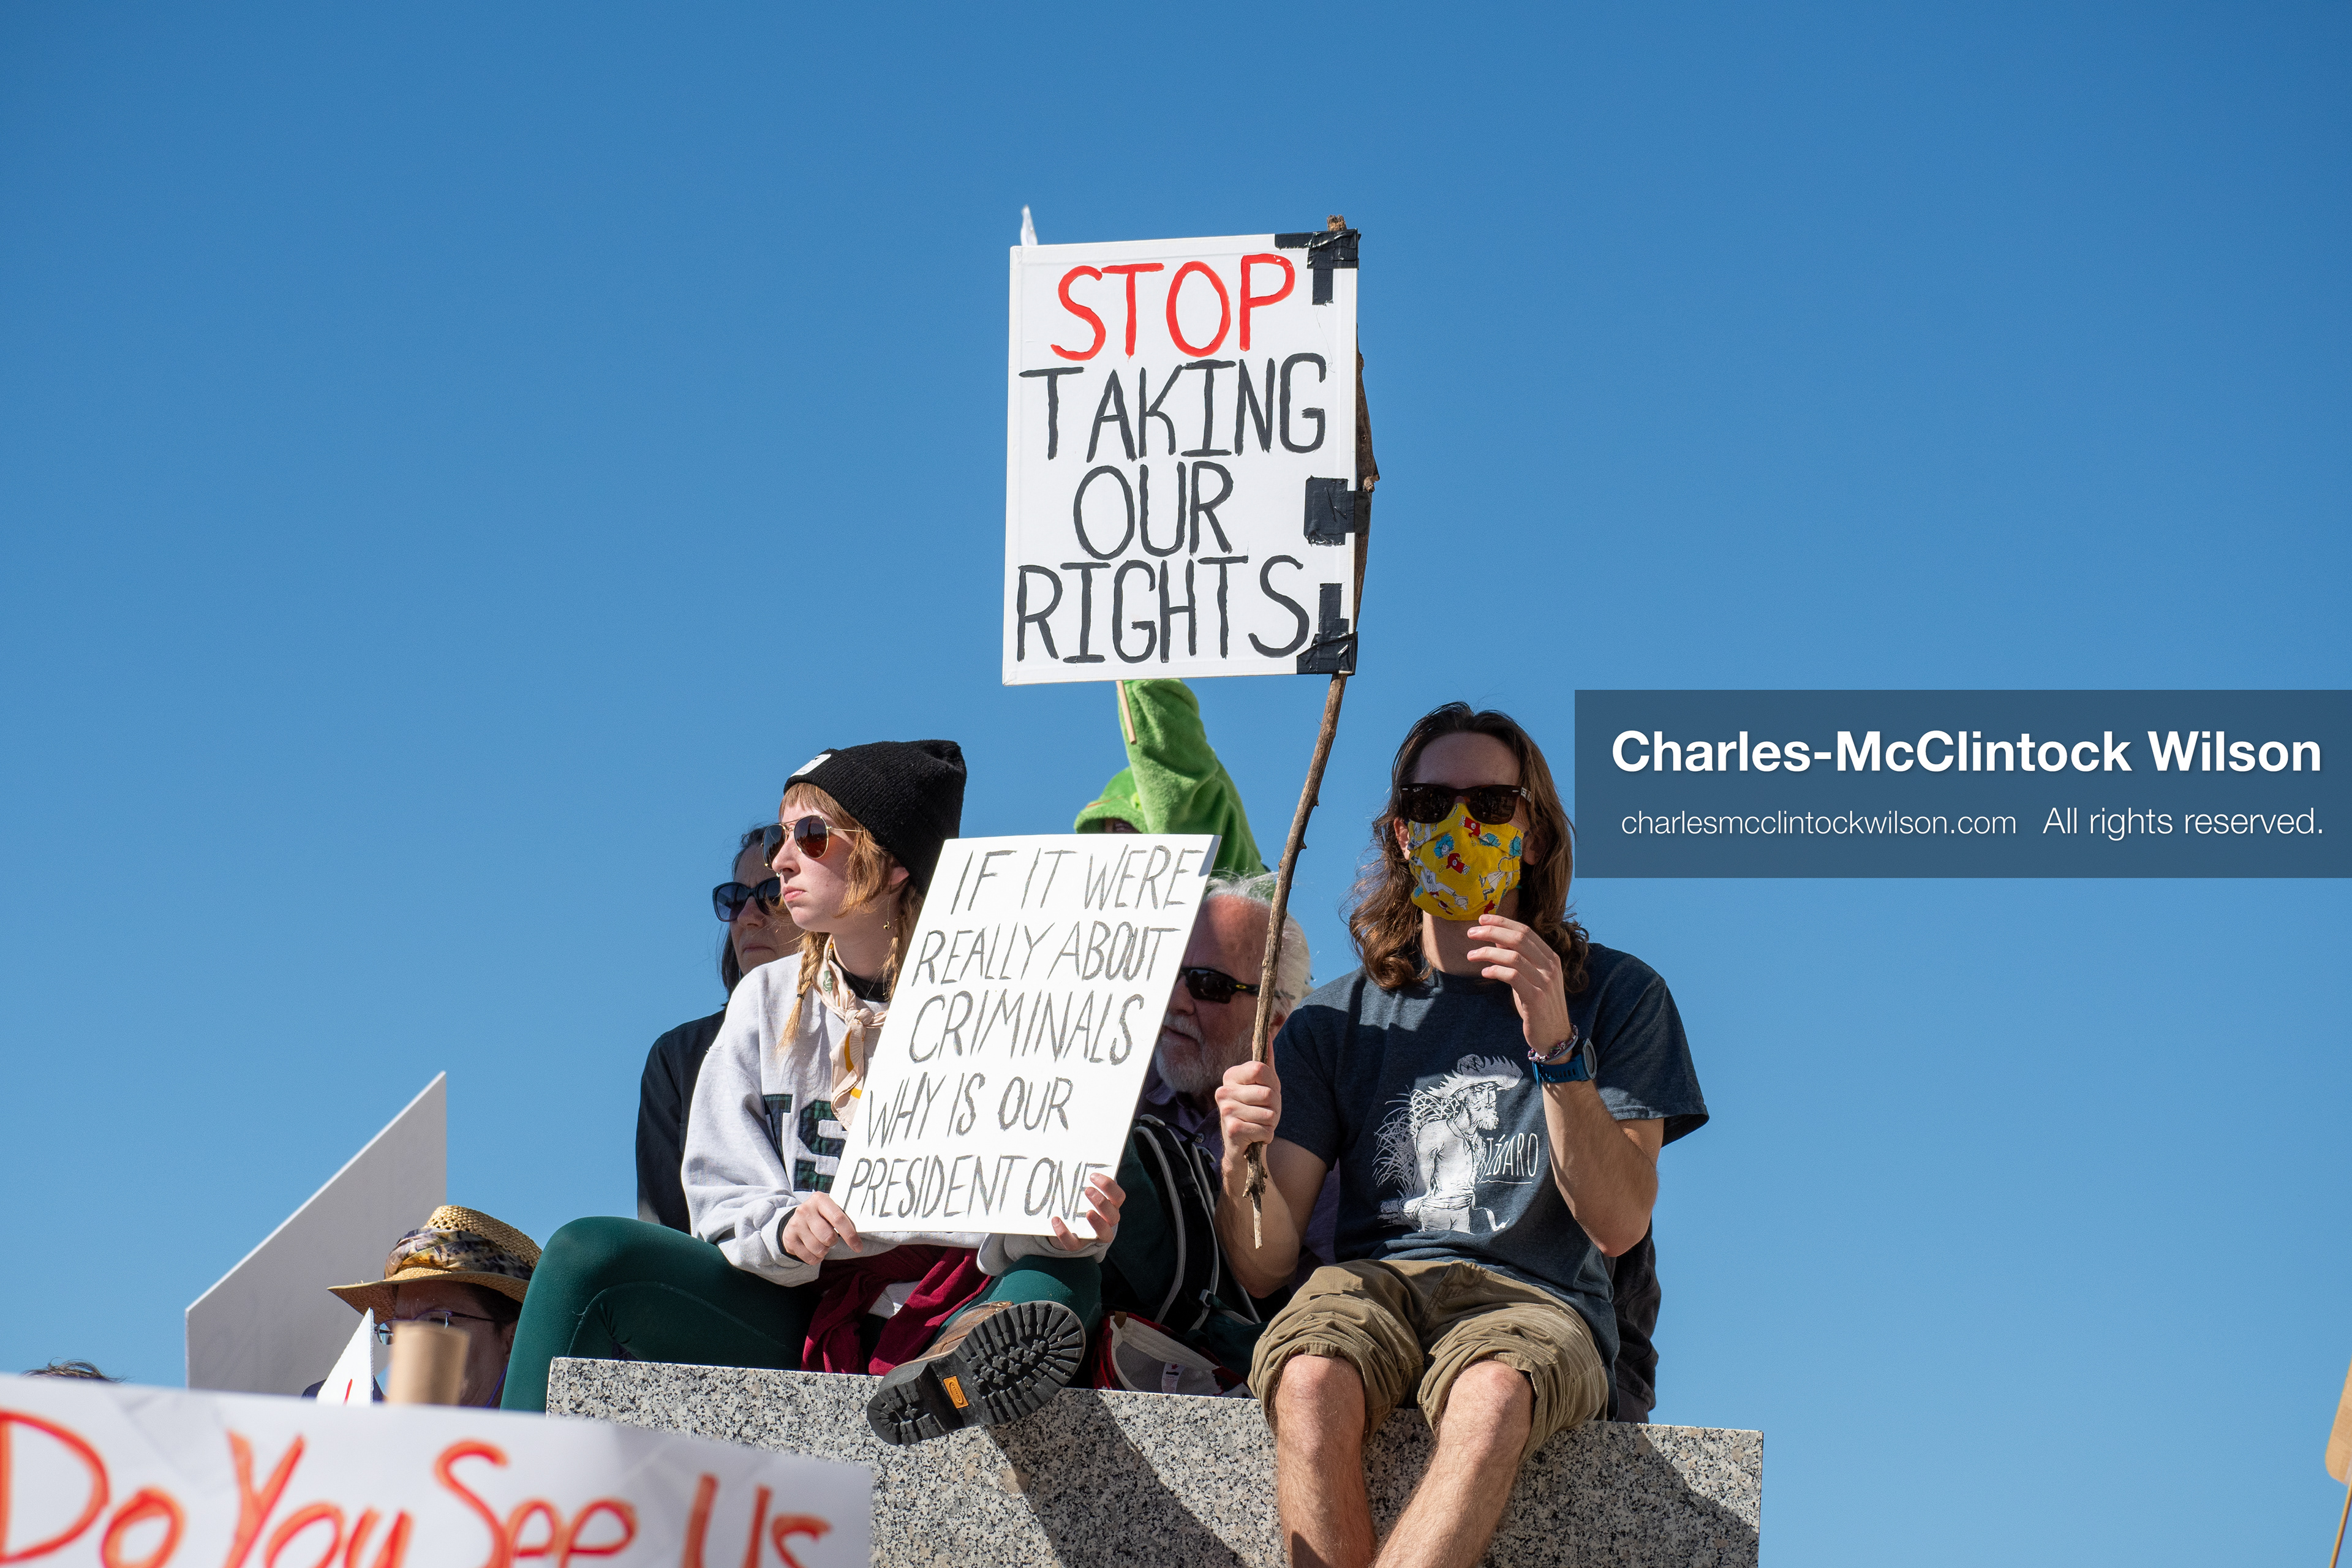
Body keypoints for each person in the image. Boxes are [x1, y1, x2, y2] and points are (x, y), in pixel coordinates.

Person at [502, 741, 1123, 1444]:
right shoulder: (765, 998)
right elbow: (719, 1188)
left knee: (1058, 1283)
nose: (781, 860)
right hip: (800, 1302)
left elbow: (1041, 1179)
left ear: (891, 865)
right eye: (779, 836)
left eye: (812, 835)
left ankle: (954, 1375)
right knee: (588, 1251)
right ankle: (497, 1506)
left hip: (972, 1291)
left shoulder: (1014, 992)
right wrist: (784, 1228)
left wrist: (1075, 1223)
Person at [1215, 703, 1708, 1568]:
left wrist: (1557, 1046)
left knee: (1488, 1396)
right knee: (1307, 1375)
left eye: (1490, 805)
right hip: (1376, 1285)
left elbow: (1620, 1221)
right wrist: (1238, 1155)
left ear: (1534, 833)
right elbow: (1262, 1262)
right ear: (1402, 834)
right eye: (1431, 805)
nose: (1459, 827)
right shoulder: (1338, 1019)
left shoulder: (1620, 996)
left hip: (1539, 1298)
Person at [637, 823, 802, 1231]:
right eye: (734, 900)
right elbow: (666, 1237)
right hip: (728, 1288)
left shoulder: (876, 1032)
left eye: (771, 894)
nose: (748, 917)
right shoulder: (679, 1058)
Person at [323, 1205, 540, 1409]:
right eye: (397, 1332)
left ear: (513, 1342)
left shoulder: (555, 1442)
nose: (410, 1353)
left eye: (437, 1322)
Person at [1075, 679, 1265, 875]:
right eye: (1114, 830)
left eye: (1124, 827)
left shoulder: (1223, 869)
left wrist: (1142, 673)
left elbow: (1176, 775)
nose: (1123, 846)